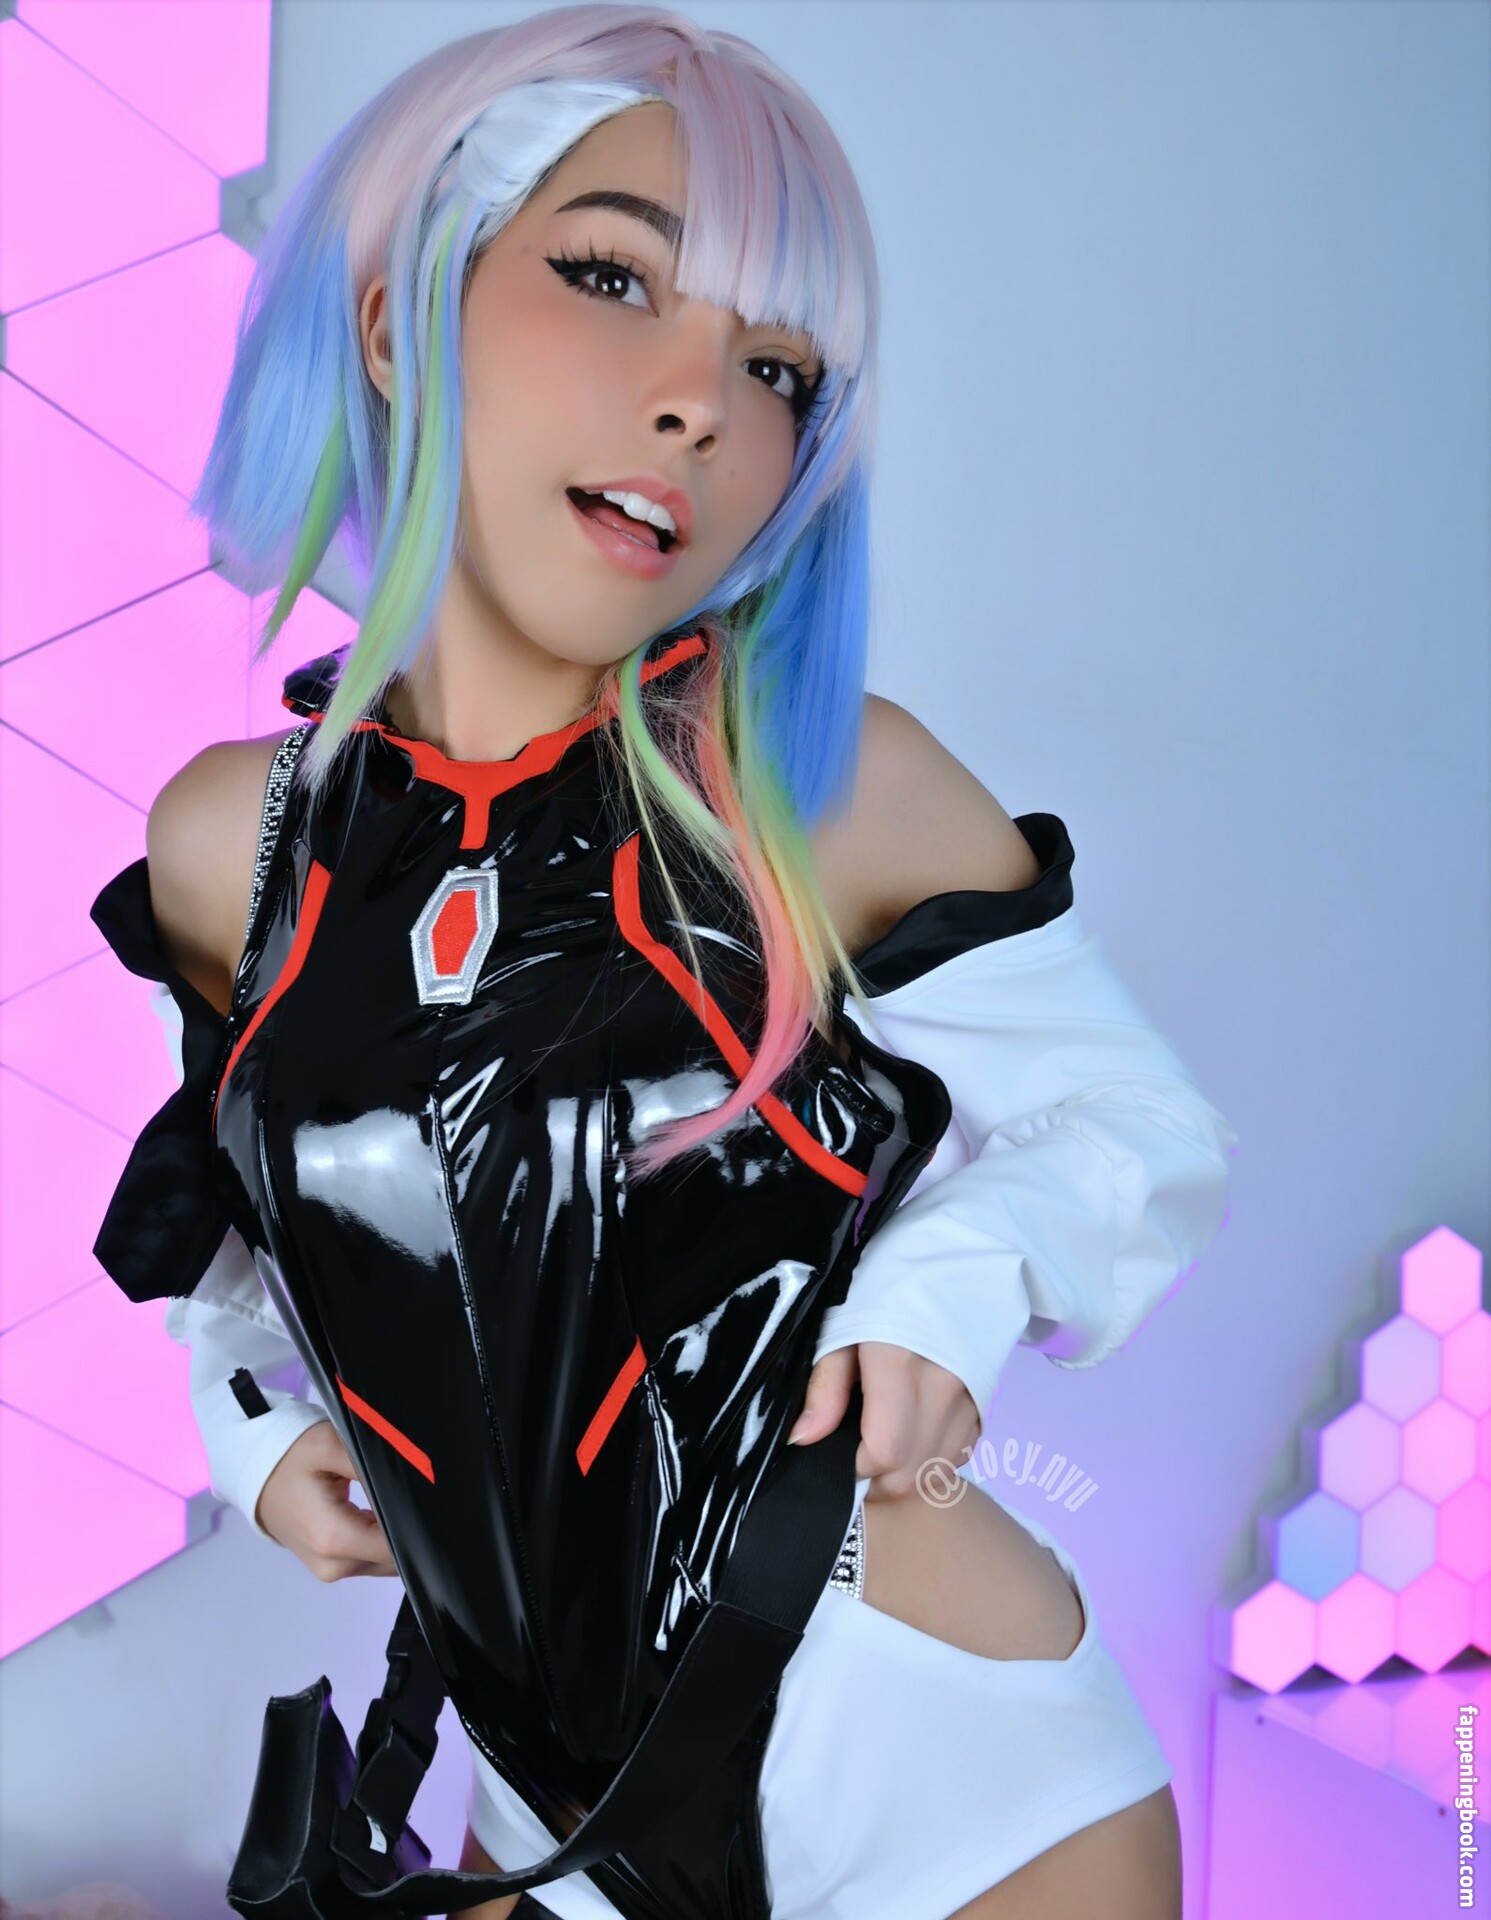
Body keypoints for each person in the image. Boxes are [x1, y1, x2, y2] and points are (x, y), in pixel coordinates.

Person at [88, 10, 1240, 1918]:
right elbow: (237, 1237)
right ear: (396, 322)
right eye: (613, 277)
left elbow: (1133, 1126)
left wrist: (945, 1295)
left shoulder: (818, 789)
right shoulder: (237, 844)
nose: (701, 399)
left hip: (948, 1772)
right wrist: (258, 1435)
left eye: (777, 367)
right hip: (539, 1795)